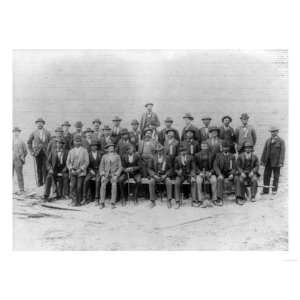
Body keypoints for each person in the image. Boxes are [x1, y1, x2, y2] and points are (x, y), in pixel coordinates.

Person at [260, 126, 285, 195]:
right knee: (266, 176)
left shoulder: (281, 141)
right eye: (272, 132)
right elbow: (264, 151)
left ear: (277, 132)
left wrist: (281, 162)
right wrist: (262, 161)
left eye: (274, 131)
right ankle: (265, 190)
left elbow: (282, 153)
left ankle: (274, 190)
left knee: (276, 176)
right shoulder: (268, 140)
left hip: (276, 162)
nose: (273, 133)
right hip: (268, 161)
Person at [27, 118, 51, 186]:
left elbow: (51, 142)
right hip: (37, 153)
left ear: (43, 124)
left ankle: (46, 183)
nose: (39, 124)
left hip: (46, 153)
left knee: (46, 168)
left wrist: (49, 151)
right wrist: (31, 151)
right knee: (39, 168)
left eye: (41, 123)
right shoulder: (34, 133)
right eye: (38, 123)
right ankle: (40, 183)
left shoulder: (47, 132)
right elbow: (29, 142)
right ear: (36, 124)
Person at [66, 135, 89, 206]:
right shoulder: (71, 151)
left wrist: (81, 169)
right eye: (75, 141)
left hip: (81, 172)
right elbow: (68, 162)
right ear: (73, 142)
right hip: (73, 171)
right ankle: (73, 200)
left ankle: (78, 201)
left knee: (79, 186)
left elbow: (87, 162)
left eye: (78, 141)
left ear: (81, 142)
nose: (77, 143)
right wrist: (70, 169)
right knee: (72, 186)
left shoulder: (84, 151)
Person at [99, 143, 123, 209]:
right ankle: (102, 202)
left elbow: (120, 167)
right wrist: (103, 175)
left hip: (113, 175)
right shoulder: (104, 156)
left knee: (114, 185)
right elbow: (101, 167)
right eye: (110, 147)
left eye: (112, 147)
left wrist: (116, 175)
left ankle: (113, 202)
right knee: (103, 184)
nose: (111, 148)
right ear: (107, 149)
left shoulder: (117, 156)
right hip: (106, 175)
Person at [194, 141, 217, 208]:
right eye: (203, 146)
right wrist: (200, 173)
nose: (204, 147)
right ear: (201, 147)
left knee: (214, 180)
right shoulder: (197, 155)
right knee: (198, 181)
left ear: (208, 147)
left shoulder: (212, 155)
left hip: (209, 172)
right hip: (201, 173)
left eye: (205, 146)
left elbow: (214, 166)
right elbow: (195, 166)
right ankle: (200, 200)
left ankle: (214, 199)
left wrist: (211, 172)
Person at [213, 141, 237, 206]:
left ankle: (239, 197)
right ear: (222, 148)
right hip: (221, 173)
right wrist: (219, 174)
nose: (225, 149)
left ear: (229, 148)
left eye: (227, 147)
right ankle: (219, 198)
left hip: (229, 173)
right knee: (220, 179)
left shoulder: (232, 156)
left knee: (237, 178)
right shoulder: (218, 155)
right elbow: (215, 166)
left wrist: (232, 174)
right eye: (224, 147)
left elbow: (235, 167)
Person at [82, 139, 102, 205]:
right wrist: (90, 170)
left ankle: (97, 198)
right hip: (91, 170)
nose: (93, 147)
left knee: (97, 181)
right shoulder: (88, 154)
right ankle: (85, 198)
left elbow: (103, 164)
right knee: (86, 180)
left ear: (97, 147)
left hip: (99, 170)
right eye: (92, 146)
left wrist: (99, 170)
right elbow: (87, 164)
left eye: (95, 146)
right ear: (90, 147)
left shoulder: (100, 153)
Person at [13, 127, 27, 194]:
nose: (16, 133)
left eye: (17, 132)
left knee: (19, 175)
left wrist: (22, 158)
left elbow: (25, 151)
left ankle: (21, 189)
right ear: (13, 133)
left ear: (19, 133)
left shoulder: (21, 141)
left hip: (18, 160)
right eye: (15, 132)